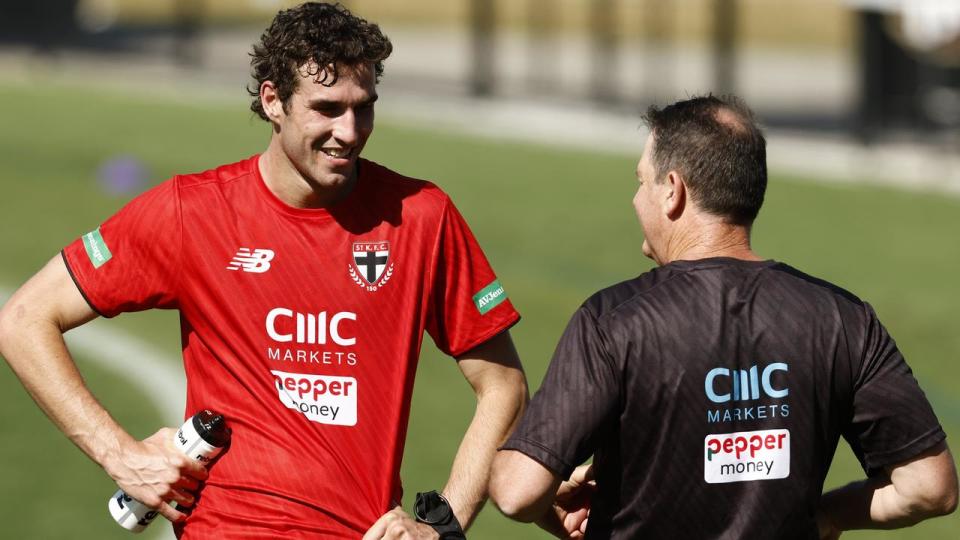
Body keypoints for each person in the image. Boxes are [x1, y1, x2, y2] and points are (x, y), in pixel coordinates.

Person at [0, 2, 527, 538]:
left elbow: (503, 385)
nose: (349, 131)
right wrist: (121, 456)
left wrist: (444, 527)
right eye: (326, 108)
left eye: (362, 108)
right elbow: (24, 319)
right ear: (273, 100)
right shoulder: (191, 212)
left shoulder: (421, 216)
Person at [488, 95, 957, 539]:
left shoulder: (614, 320)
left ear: (672, 190)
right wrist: (828, 514)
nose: (635, 199)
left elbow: (516, 493)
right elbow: (929, 488)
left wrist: (545, 490)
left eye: (640, 181)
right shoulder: (843, 318)